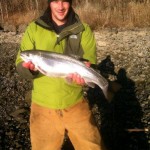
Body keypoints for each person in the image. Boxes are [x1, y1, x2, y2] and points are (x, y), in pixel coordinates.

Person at [16, 0, 106, 150]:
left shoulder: (83, 30)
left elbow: (90, 62)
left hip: (75, 103)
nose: (60, 6)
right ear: (49, 3)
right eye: (55, 1)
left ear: (70, 3)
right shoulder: (33, 28)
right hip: (42, 106)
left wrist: (82, 79)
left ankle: (105, 86)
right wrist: (29, 69)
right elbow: (20, 61)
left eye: (64, 1)